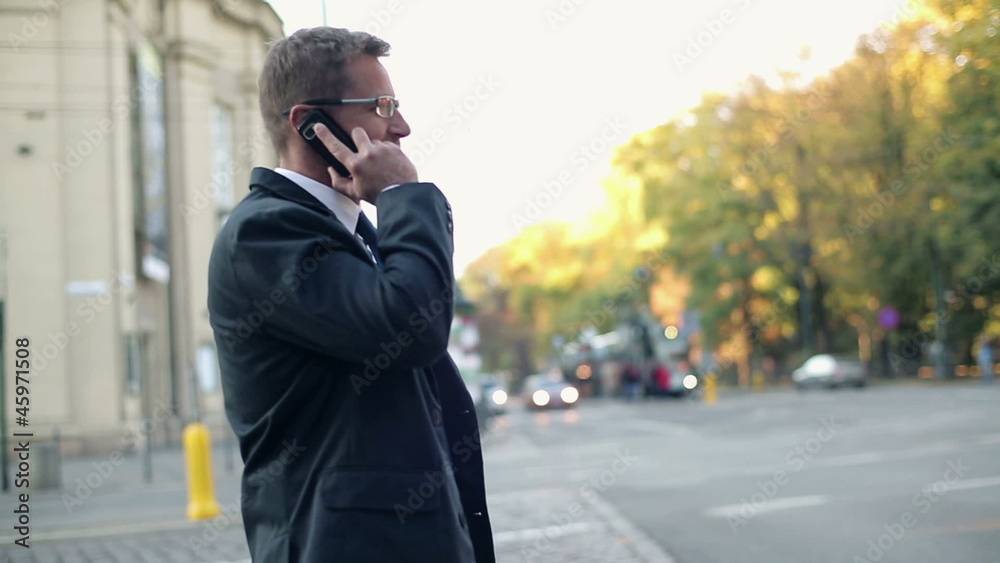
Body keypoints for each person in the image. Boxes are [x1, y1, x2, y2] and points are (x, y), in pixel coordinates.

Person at [207, 27, 494, 562]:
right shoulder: (265, 235)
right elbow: (413, 325)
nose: (402, 126)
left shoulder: (348, 230)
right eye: (382, 106)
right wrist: (405, 195)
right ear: (308, 124)